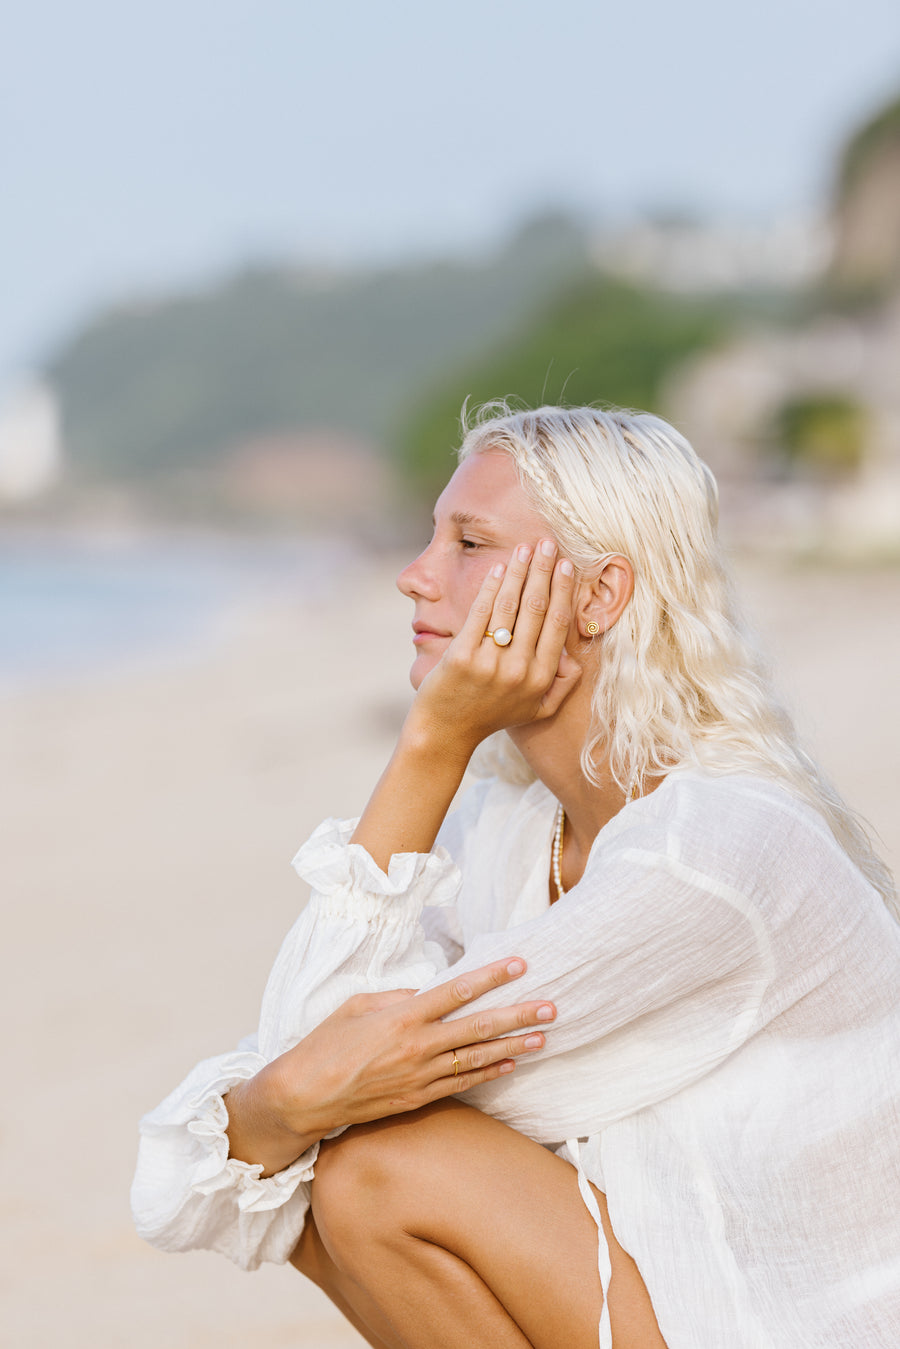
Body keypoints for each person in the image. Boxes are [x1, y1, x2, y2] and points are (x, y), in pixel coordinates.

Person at [132, 403, 900, 1349]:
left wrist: (431, 743)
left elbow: (334, 1091)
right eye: (432, 534)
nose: (416, 576)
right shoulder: (511, 822)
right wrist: (280, 1104)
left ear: (598, 594)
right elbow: (285, 1100)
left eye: (469, 542)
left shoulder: (710, 849)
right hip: (682, 1296)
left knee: (374, 1170)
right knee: (338, 1179)